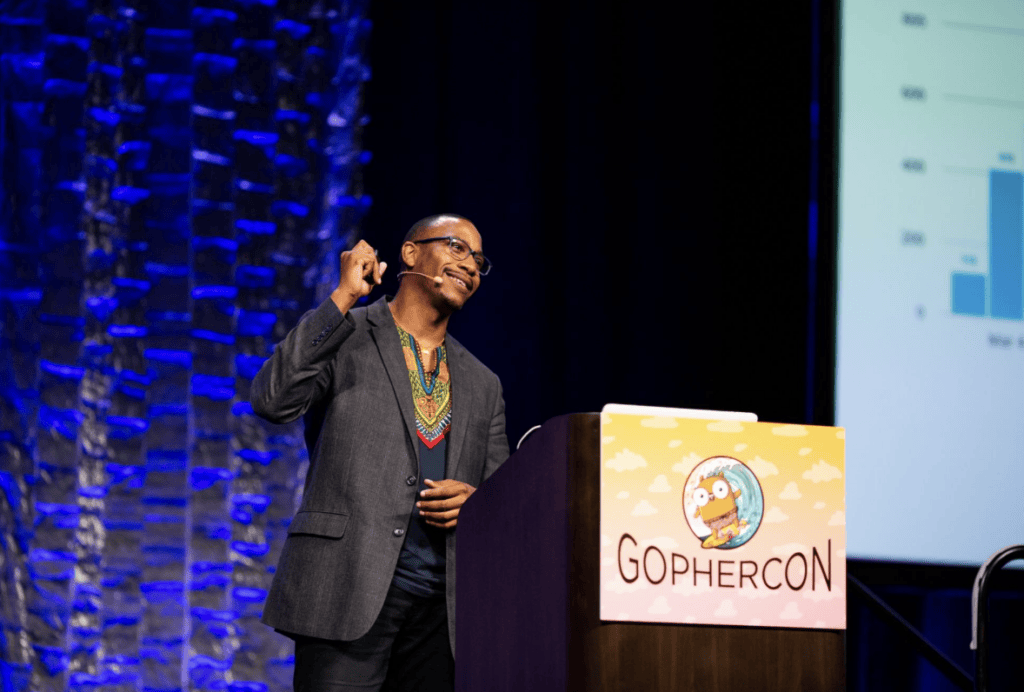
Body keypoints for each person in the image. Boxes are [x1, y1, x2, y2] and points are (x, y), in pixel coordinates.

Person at [250, 214, 509, 692]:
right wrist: (343, 297)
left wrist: (476, 503)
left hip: (441, 616)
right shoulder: (347, 335)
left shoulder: (483, 383)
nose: (469, 266)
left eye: (478, 260)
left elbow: (499, 500)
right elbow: (272, 398)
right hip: (346, 590)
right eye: (456, 247)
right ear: (410, 253)